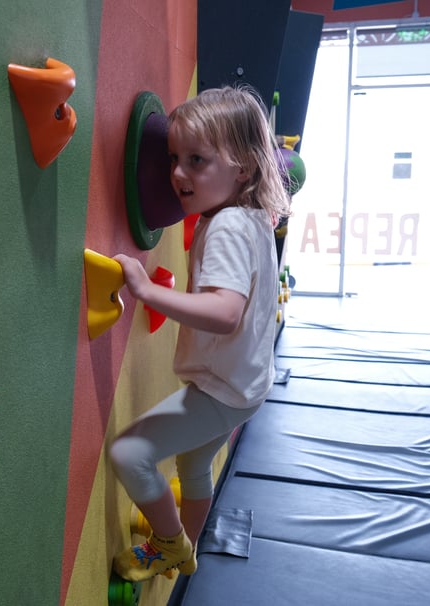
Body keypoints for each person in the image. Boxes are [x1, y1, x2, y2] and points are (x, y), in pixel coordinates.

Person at [109, 86, 291, 582]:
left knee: (129, 453)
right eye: (174, 158)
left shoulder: (228, 226)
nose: (176, 173)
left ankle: (170, 544)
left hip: (222, 391)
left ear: (243, 168)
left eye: (196, 160)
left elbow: (224, 312)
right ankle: (183, 549)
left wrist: (146, 290)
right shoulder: (251, 215)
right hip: (246, 384)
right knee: (192, 468)